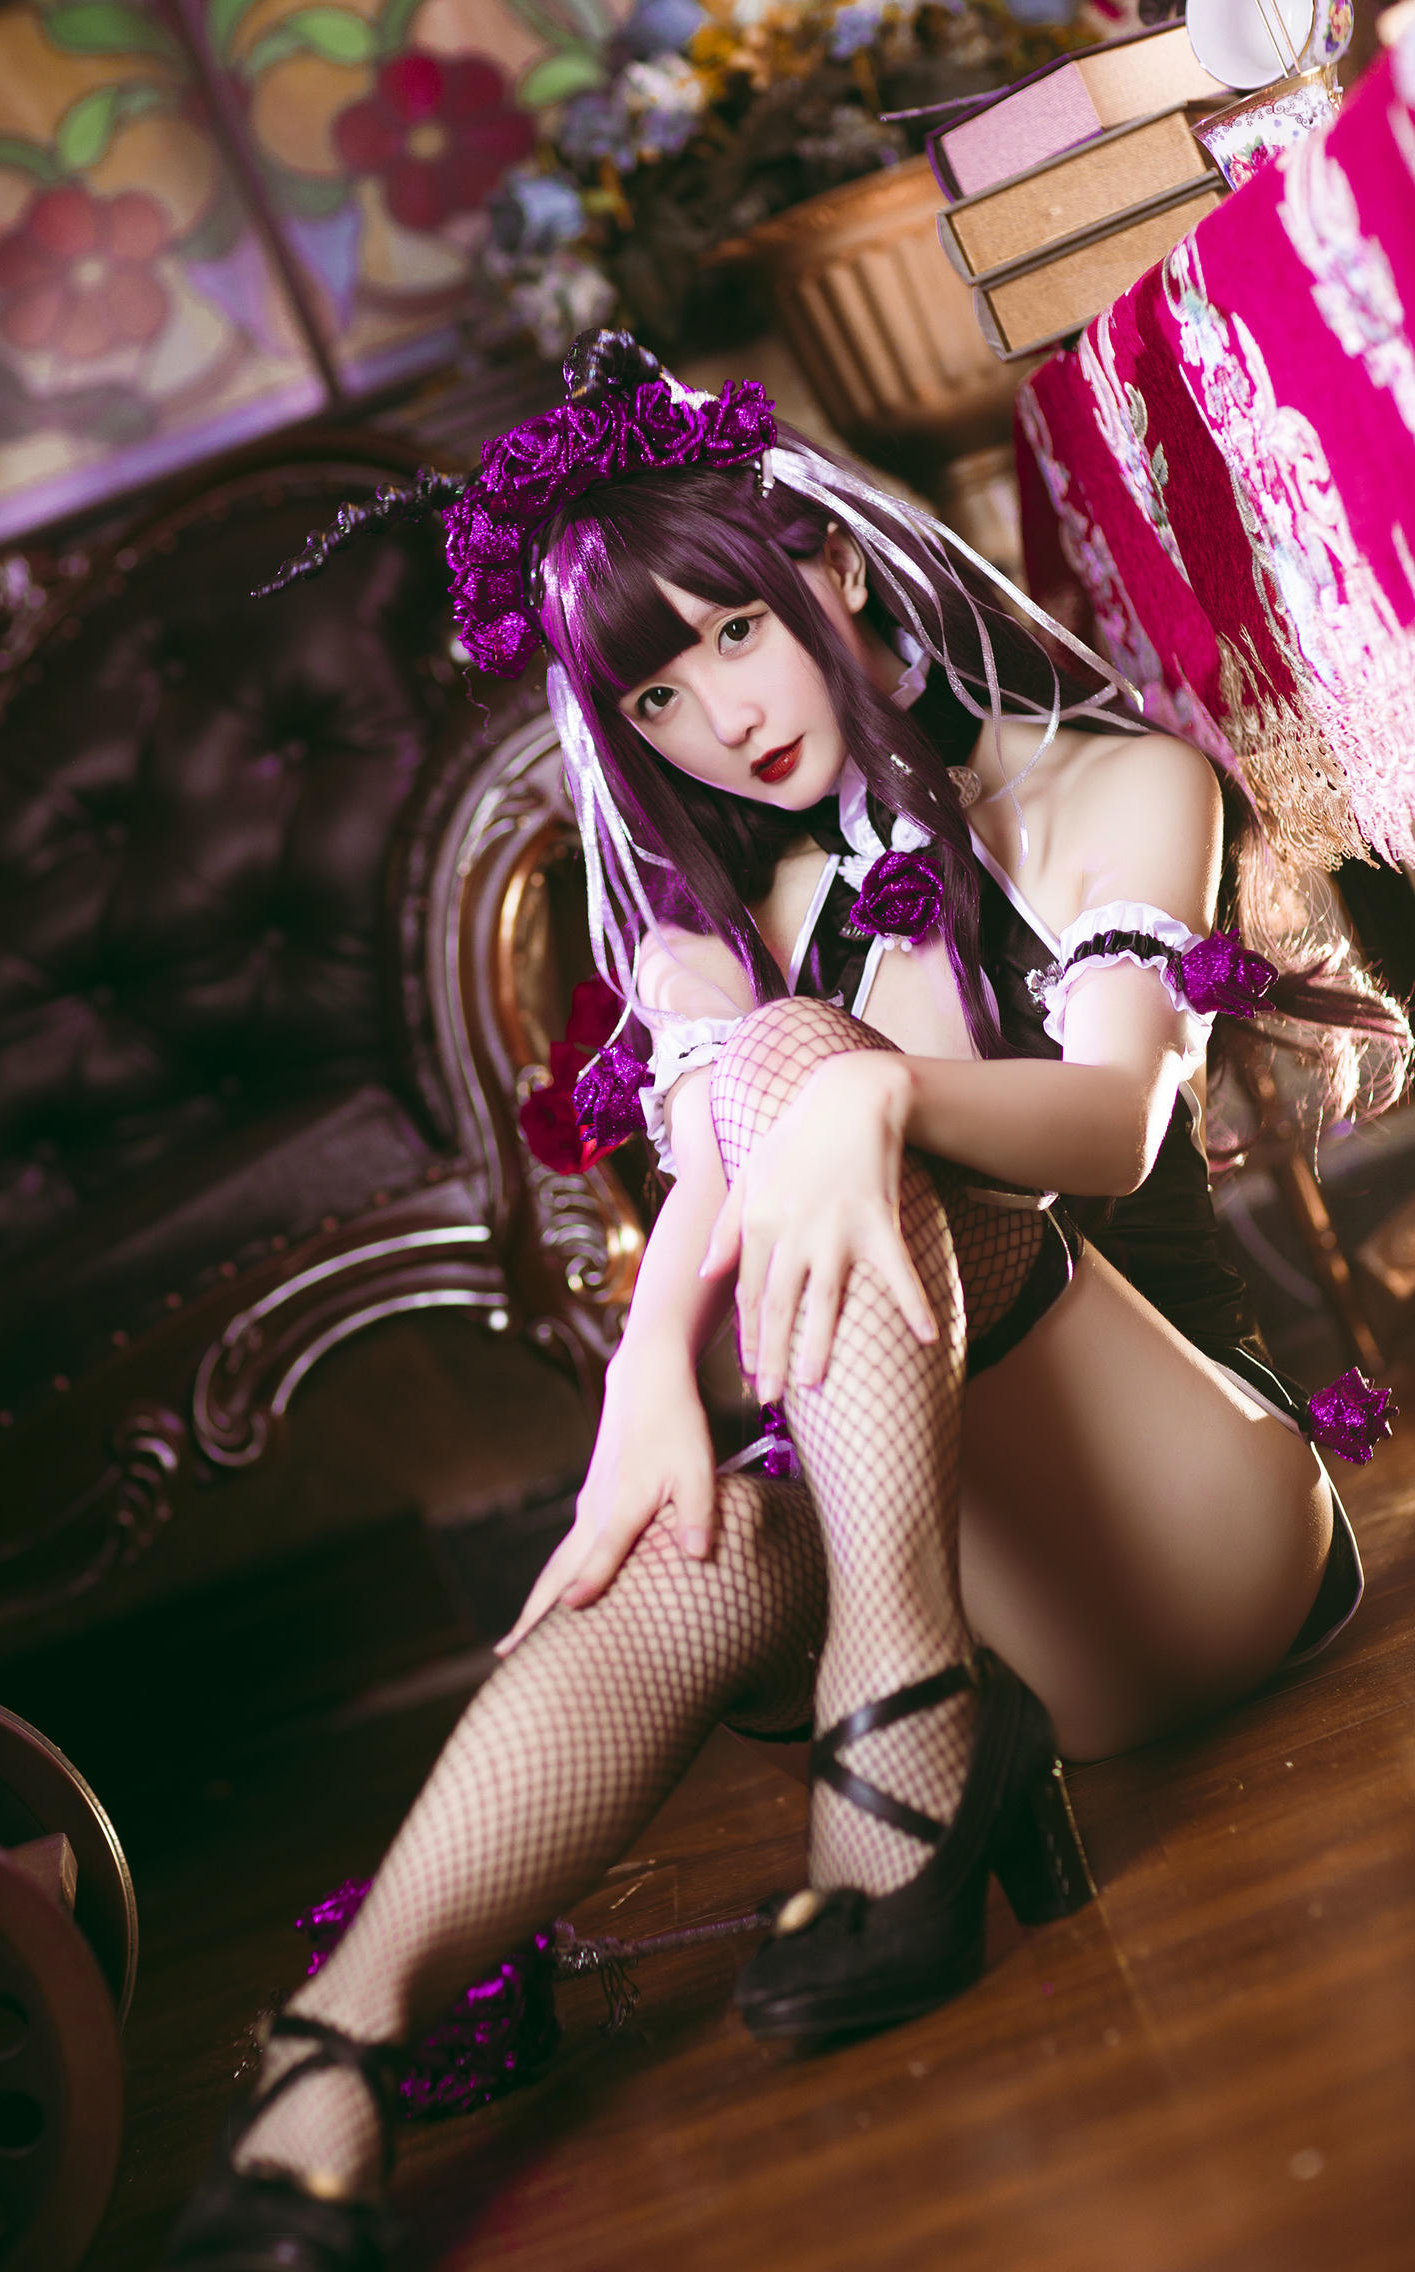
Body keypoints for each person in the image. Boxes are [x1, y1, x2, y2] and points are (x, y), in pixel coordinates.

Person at [163, 331, 1407, 2272]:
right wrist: (644, 1400)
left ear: (829, 568)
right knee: (701, 1534)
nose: (717, 719)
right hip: (984, 1588)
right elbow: (711, 1193)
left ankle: (896, 1713)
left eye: (735, 631)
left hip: (1200, 1529)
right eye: (654, 694)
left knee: (815, 1081)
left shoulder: (1110, 790)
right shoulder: (728, 920)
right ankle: (327, 2067)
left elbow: (1108, 1127)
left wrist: (870, 1091)